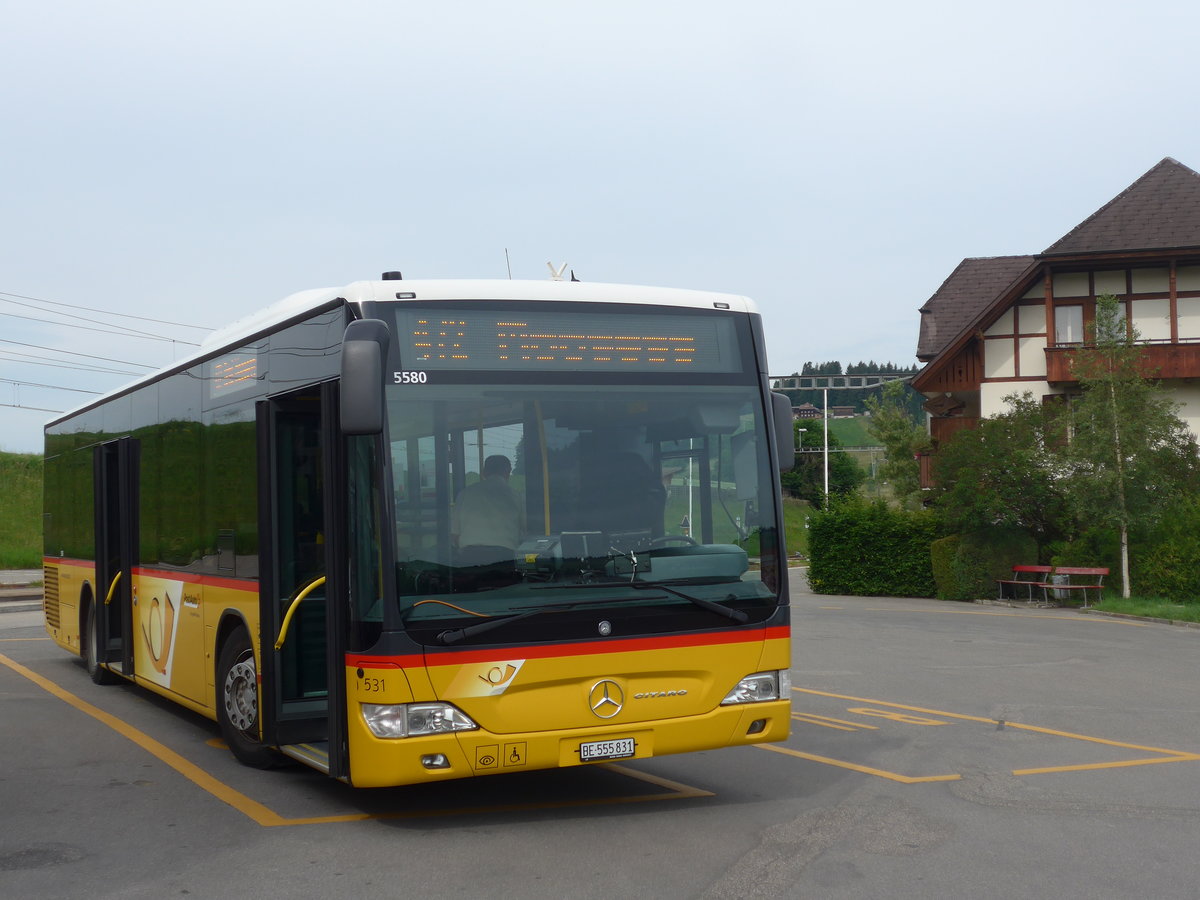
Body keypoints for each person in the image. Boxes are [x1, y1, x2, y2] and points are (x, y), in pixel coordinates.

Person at [451, 454, 526, 568]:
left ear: (484, 472)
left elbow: (455, 534)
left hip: (469, 558)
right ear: (508, 472)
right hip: (504, 558)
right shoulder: (516, 496)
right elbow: (526, 530)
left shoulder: (465, 494)